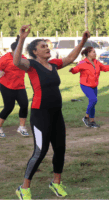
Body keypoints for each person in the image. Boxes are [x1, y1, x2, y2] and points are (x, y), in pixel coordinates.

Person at [13, 24, 90, 199]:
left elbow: (70, 57)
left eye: (47, 46)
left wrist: (83, 41)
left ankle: (56, 183)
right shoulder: (31, 65)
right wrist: (22, 38)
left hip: (57, 113)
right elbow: (16, 62)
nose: (47, 48)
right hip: (40, 114)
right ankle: (23, 187)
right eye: (43, 46)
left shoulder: (53, 65)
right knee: (40, 151)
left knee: (60, 149)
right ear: (34, 52)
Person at [70, 47, 109, 127]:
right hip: (85, 85)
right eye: (93, 52)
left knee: (93, 102)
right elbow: (76, 69)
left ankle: (92, 121)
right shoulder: (82, 63)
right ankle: (86, 117)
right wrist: (72, 70)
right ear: (88, 53)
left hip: (94, 85)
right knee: (93, 100)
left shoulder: (96, 62)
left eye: (95, 52)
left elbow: (105, 68)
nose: (95, 53)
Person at [0, 36, 29, 138]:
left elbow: (28, 66)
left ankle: (21, 127)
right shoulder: (4, 59)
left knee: (24, 105)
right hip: (6, 85)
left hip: (20, 86)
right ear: (13, 50)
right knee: (9, 107)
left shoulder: (23, 58)